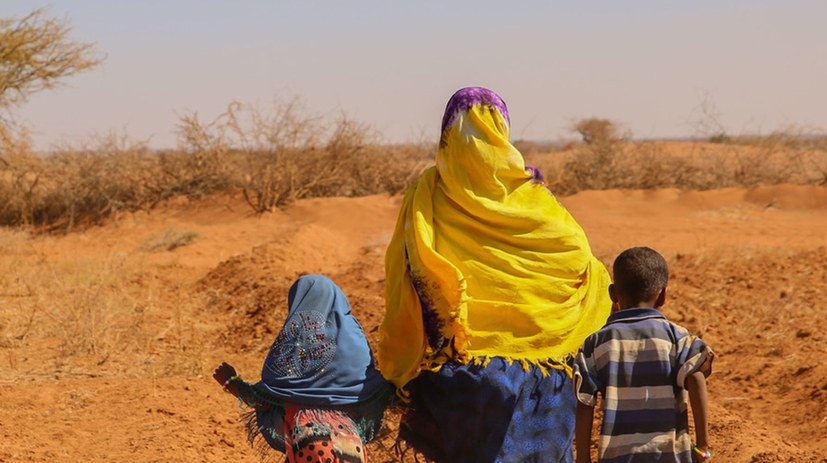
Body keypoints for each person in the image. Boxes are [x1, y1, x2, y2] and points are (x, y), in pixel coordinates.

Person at [378, 86, 613, 462]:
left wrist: (401, 364)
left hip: (463, 373)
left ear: (446, 134)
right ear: (503, 131)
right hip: (546, 377)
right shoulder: (535, 199)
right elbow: (581, 263)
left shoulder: (428, 193)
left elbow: (409, 273)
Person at [213, 274, 393, 463]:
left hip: (309, 444)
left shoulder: (294, 343)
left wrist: (230, 382)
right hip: (351, 446)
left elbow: (266, 399)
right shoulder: (356, 340)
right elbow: (377, 393)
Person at [573, 246, 714, 463]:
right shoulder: (677, 338)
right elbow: (695, 378)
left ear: (613, 294)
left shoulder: (596, 345)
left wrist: (583, 459)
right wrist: (702, 446)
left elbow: (584, 403)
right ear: (663, 295)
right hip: (670, 456)